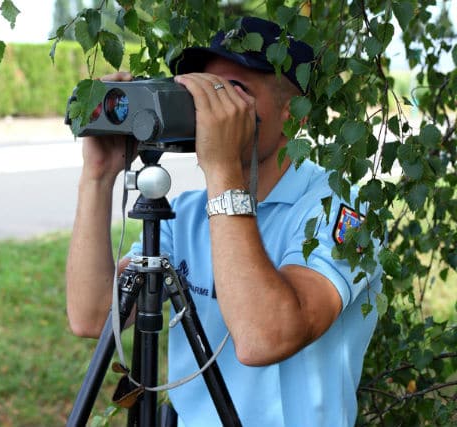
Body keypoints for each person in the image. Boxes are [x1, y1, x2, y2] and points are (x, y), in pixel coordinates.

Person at [66, 16, 382, 427]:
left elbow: (263, 338)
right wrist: (98, 175)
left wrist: (221, 170)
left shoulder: (340, 210)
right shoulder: (189, 215)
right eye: (206, 91)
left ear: (293, 115)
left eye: (235, 93)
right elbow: (92, 315)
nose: (213, 110)